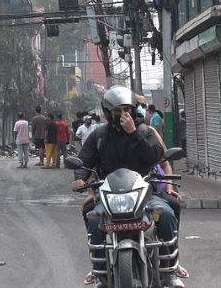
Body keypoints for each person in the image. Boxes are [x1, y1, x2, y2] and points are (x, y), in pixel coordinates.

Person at [72, 86, 180, 287]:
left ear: (132, 109)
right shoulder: (99, 135)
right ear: (108, 112)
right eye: (117, 111)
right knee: (93, 217)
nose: (123, 114)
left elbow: (156, 156)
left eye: (126, 109)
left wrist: (133, 134)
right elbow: (84, 160)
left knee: (167, 212)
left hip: (146, 195)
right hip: (109, 197)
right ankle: (100, 273)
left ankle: (169, 270)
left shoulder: (145, 131)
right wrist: (80, 178)